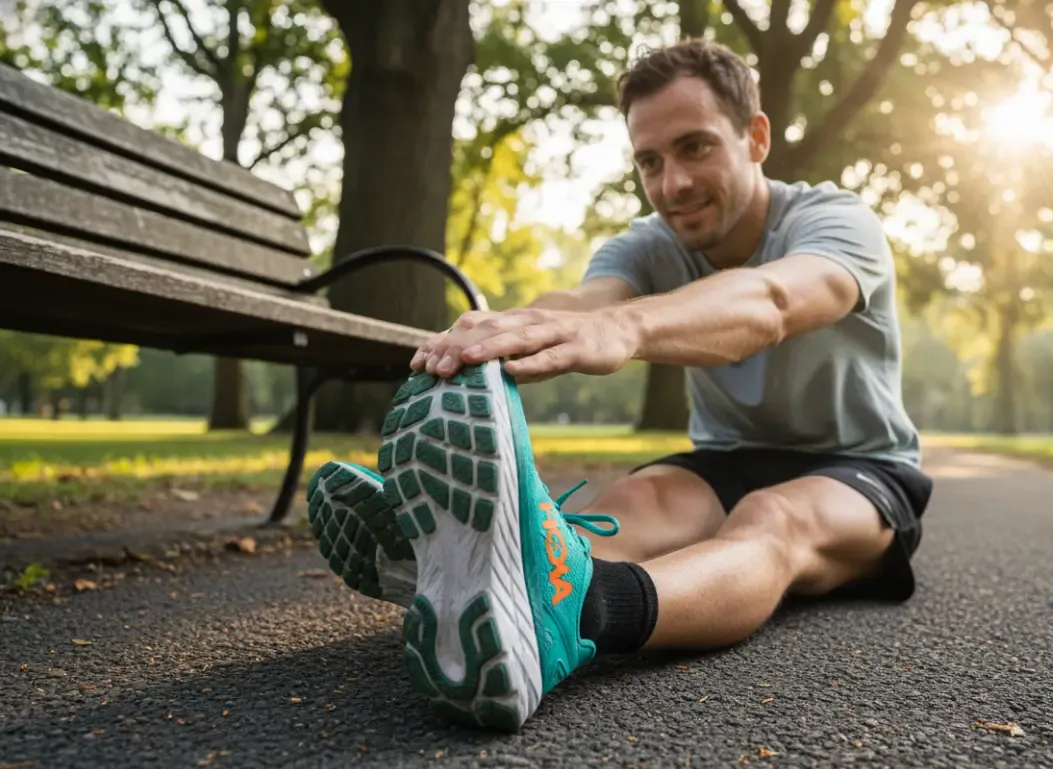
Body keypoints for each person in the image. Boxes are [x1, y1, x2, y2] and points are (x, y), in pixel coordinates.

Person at [306, 38, 932, 732]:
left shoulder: (833, 221)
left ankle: (582, 611)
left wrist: (627, 329)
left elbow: (771, 304)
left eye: (695, 147)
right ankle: (480, 580)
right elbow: (587, 302)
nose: (673, 185)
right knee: (629, 501)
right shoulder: (649, 242)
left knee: (772, 520)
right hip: (728, 457)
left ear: (755, 137)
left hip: (860, 468)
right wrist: (508, 328)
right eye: (650, 161)